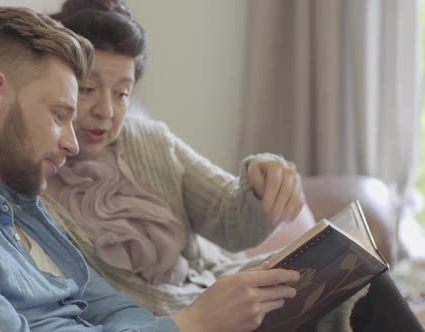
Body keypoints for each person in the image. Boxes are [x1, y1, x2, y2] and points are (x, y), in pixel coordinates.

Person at [0, 6, 303, 332]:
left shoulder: (17, 200)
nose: (72, 142)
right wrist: (192, 325)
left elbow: (111, 307)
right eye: (58, 114)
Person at [44, 1, 425, 331]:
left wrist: (259, 181)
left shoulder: (149, 140)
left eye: (122, 93)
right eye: (88, 89)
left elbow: (229, 216)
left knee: (362, 281)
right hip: (183, 322)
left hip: (233, 292)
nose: (106, 112)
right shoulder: (36, 189)